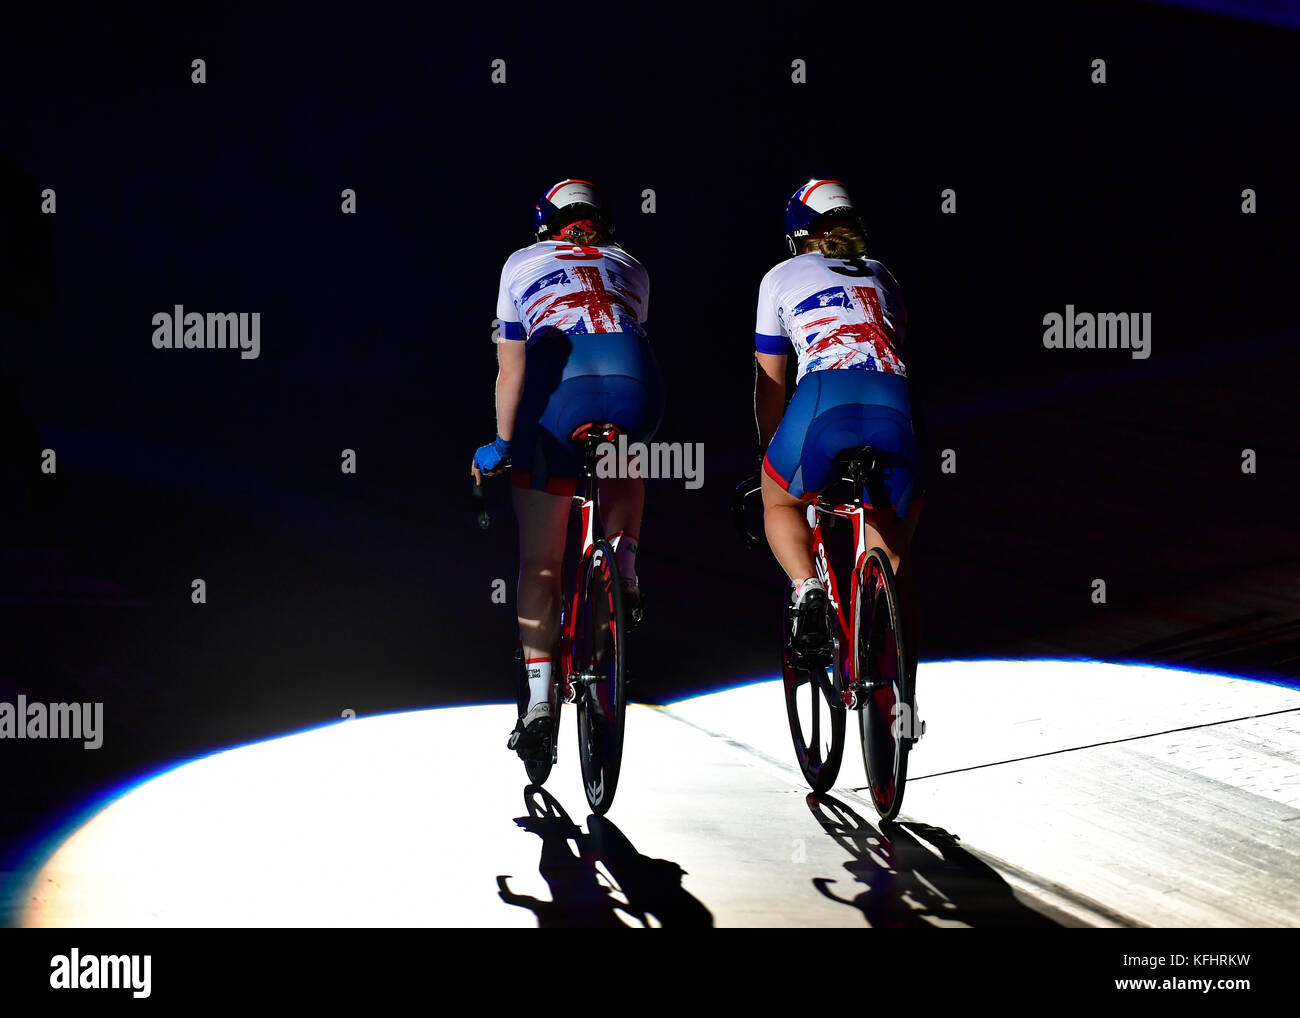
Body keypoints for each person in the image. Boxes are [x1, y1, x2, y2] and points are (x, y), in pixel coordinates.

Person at [472, 180, 663, 763]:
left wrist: (502, 446)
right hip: (637, 387)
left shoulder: (520, 263)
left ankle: (536, 705)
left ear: (544, 226)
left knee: (542, 563)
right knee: (621, 445)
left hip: (559, 405)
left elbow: (512, 372)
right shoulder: (630, 264)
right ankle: (624, 564)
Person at [753, 179, 925, 677]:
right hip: (895, 403)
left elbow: (770, 378)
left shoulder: (779, 276)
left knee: (780, 500)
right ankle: (896, 698)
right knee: (894, 556)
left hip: (824, 400)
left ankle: (808, 588)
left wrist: (769, 451)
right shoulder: (882, 273)